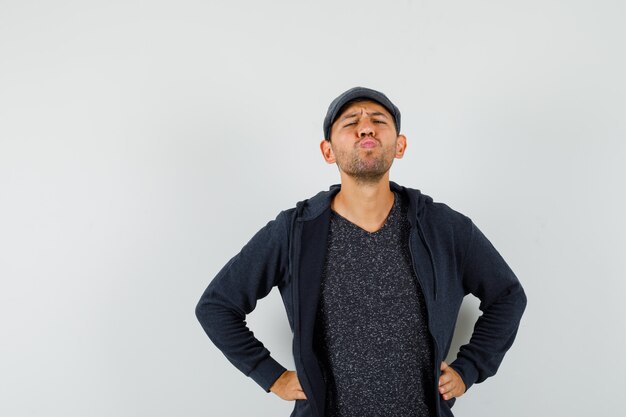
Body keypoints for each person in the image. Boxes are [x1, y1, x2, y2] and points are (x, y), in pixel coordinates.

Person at [195, 87, 527, 417]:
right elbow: (217, 306)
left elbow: (508, 295)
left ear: (400, 145)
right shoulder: (294, 231)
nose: (365, 127)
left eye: (378, 120)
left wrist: (468, 369)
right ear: (328, 151)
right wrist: (272, 377)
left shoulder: (444, 228)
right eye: (350, 121)